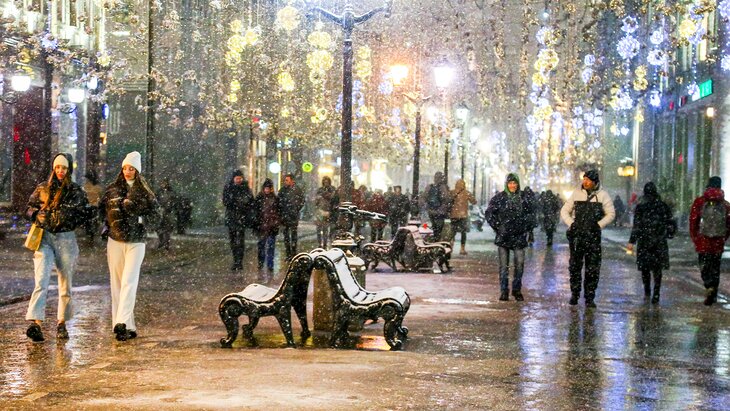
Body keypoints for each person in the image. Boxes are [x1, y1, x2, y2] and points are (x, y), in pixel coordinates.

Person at [24, 153, 88, 342]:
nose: (60, 171)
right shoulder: (43, 188)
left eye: (64, 168)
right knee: (41, 280)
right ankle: (36, 323)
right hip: (44, 238)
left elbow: (85, 213)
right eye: (58, 167)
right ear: (53, 168)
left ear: (69, 170)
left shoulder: (76, 191)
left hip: (66, 238)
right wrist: (35, 215)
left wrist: (71, 220)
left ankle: (62, 322)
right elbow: (28, 207)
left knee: (65, 283)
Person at [99, 151, 160, 341]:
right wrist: (106, 226)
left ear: (137, 171)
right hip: (115, 240)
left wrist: (139, 217)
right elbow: (102, 211)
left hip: (136, 241)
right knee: (117, 283)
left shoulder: (145, 193)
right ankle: (127, 325)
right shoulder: (111, 190)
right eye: (125, 168)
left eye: (131, 168)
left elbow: (157, 218)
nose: (127, 171)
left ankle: (121, 322)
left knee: (129, 281)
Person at [560, 169, 615, 308]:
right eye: (584, 179)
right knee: (575, 267)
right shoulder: (576, 194)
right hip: (577, 238)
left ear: (595, 182)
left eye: (588, 180)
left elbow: (611, 214)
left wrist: (598, 225)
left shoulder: (603, 195)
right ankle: (575, 294)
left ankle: (590, 297)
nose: (585, 182)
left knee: (593, 268)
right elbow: (564, 210)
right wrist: (572, 224)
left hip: (593, 238)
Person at [485, 173, 535, 302]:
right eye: (510, 183)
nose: (512, 185)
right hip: (504, 236)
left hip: (519, 236)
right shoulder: (500, 198)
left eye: (514, 183)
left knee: (519, 264)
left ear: (518, 184)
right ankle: (504, 291)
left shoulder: (524, 197)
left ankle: (517, 290)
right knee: (503, 266)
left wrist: (526, 226)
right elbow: (489, 213)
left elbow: (532, 214)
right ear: (506, 184)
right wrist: (498, 226)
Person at [627, 182, 674, 304]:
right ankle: (656, 292)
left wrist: (632, 241)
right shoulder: (663, 206)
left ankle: (647, 290)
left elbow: (637, 226)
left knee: (645, 268)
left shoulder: (641, 207)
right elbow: (670, 222)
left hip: (645, 241)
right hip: (659, 241)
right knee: (657, 269)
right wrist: (669, 234)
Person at [689, 176, 730, 306]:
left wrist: (695, 237)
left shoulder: (700, 202)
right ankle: (714, 293)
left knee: (704, 266)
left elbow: (693, 221)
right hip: (718, 241)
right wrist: (723, 238)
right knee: (715, 267)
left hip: (703, 240)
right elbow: (729, 225)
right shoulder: (725, 204)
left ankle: (708, 286)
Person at [222, 170, 255, 270]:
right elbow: (225, 201)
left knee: (240, 240)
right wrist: (233, 201)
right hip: (232, 218)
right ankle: (235, 259)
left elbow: (250, 202)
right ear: (233, 179)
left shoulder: (245, 189)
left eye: (240, 178)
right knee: (233, 240)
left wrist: (243, 206)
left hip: (241, 218)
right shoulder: (228, 188)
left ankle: (239, 261)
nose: (238, 180)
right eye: (237, 178)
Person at [254, 178, 281, 281]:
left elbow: (278, 212)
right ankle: (261, 263)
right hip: (262, 227)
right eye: (265, 188)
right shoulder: (259, 198)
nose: (267, 190)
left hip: (271, 227)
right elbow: (255, 212)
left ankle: (270, 264)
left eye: (268, 188)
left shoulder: (275, 199)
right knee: (261, 246)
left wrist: (275, 222)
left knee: (270, 246)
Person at [279, 173, 305, 260]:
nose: (285, 182)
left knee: (293, 235)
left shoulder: (297, 190)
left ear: (292, 181)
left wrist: (296, 208)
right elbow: (279, 201)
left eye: (287, 180)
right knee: (286, 236)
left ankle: (293, 253)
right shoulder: (282, 190)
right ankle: (288, 253)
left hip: (293, 215)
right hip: (285, 215)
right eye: (285, 180)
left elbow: (302, 200)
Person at [450, 179, 477, 255]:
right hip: (463, 216)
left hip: (454, 215)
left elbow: (447, 200)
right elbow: (474, 201)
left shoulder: (452, 192)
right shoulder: (467, 193)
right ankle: (462, 249)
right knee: (463, 233)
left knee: (453, 232)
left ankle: (451, 247)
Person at [422, 171, 451, 240]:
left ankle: (435, 240)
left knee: (434, 227)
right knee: (439, 229)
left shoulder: (429, 187)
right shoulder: (444, 187)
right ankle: (437, 241)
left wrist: (428, 208)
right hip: (440, 212)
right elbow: (447, 199)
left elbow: (423, 197)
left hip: (431, 211)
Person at [155, 179, 177, 250]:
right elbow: (156, 200)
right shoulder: (159, 192)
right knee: (158, 228)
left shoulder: (171, 192)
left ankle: (166, 244)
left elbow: (174, 202)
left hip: (168, 212)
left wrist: (168, 208)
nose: (163, 184)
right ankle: (161, 242)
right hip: (160, 212)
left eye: (165, 183)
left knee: (167, 229)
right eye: (162, 183)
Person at [315, 176, 336, 248]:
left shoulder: (332, 189)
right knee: (319, 229)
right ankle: (319, 243)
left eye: (327, 182)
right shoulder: (320, 190)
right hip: (320, 211)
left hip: (328, 211)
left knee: (325, 229)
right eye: (325, 182)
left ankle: (324, 243)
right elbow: (316, 201)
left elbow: (333, 200)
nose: (326, 183)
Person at [83, 170, 102, 243]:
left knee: (89, 221)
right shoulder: (97, 187)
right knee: (92, 221)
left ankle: (90, 234)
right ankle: (91, 234)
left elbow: (85, 196)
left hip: (89, 206)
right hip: (94, 206)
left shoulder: (87, 186)